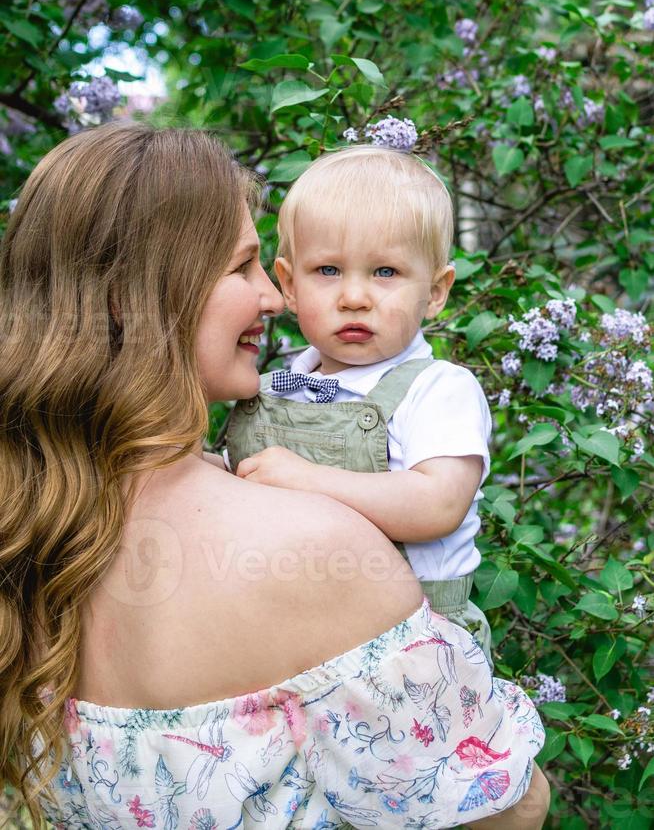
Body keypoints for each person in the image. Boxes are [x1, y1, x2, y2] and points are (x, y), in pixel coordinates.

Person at [0, 122, 549, 829]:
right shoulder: (314, 547)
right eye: (243, 267)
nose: (272, 296)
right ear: (130, 297)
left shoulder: (36, 533)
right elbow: (504, 812)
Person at [226, 146, 494, 663]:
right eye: (327, 270)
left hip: (413, 644)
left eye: (386, 272)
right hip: (295, 630)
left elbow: (438, 505)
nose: (354, 296)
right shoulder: (277, 387)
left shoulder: (438, 389)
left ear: (435, 292)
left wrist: (308, 478)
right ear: (288, 284)